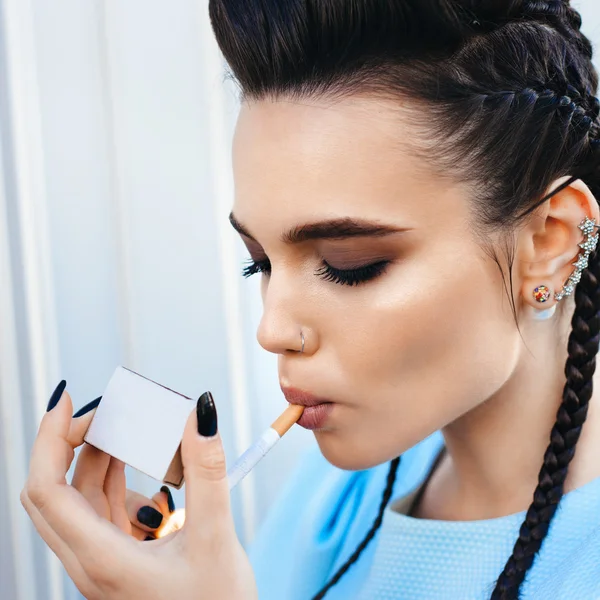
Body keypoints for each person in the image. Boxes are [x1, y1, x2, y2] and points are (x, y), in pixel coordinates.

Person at [20, 1, 600, 598]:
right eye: (260, 263)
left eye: (350, 266)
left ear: (548, 245)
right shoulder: (341, 482)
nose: (271, 330)